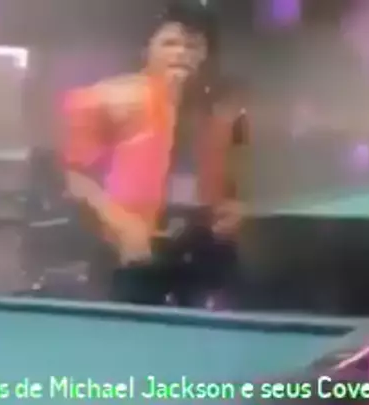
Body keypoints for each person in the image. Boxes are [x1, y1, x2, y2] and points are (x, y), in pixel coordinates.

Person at [59, 3, 250, 306]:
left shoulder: (226, 110)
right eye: (170, 43)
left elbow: (234, 175)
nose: (181, 53)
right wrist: (123, 226)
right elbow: (75, 176)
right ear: (146, 49)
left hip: (205, 246)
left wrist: (235, 207)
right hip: (131, 249)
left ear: (206, 54)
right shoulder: (105, 98)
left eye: (192, 46)